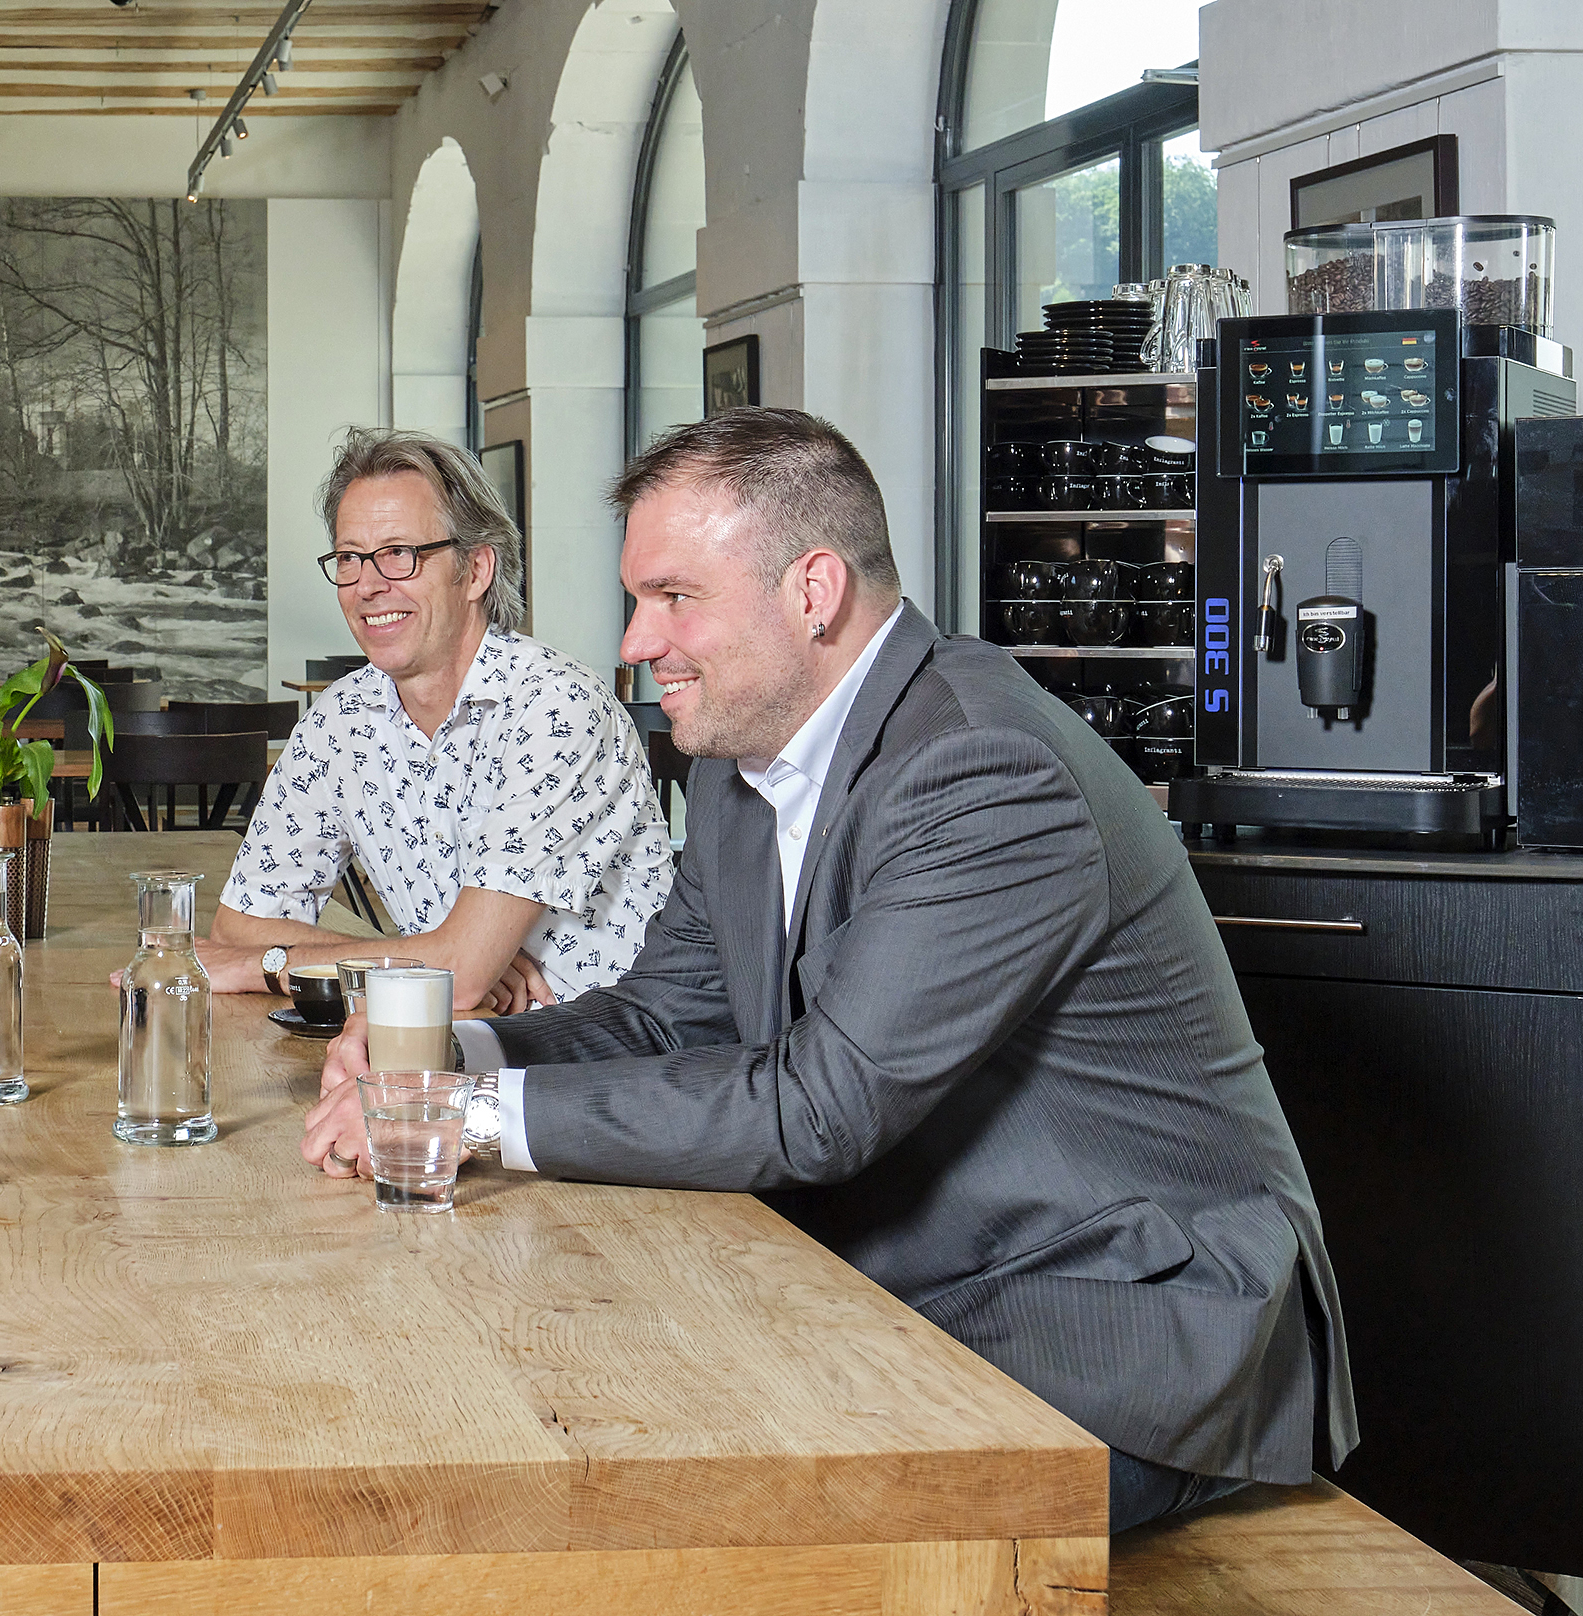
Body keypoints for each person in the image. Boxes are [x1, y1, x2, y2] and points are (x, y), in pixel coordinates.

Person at [300, 408, 1355, 1532]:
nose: (632, 642)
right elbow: (667, 1017)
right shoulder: (735, 762)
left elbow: (820, 1106)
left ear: (812, 592)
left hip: (1122, 1327)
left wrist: (453, 1116)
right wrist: (444, 1051)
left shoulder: (980, 766)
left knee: (697, 1517)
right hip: (911, 1269)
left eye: (672, 598)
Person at [202, 429, 673, 1012]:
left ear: (475, 571)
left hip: (611, 1061)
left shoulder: (557, 709)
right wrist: (424, 959)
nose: (369, 586)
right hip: (454, 1048)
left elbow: (463, 976)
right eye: (350, 558)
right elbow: (241, 926)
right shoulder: (339, 720)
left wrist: (273, 967)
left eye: (400, 554)